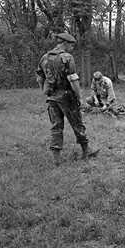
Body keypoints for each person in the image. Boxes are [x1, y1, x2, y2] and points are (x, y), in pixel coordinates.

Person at [36, 32, 99, 166]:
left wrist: (45, 91)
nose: (73, 47)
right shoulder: (67, 58)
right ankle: (86, 151)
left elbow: (39, 77)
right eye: (71, 44)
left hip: (52, 97)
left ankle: (56, 159)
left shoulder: (44, 58)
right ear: (65, 43)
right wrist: (80, 97)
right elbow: (73, 80)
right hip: (66, 97)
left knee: (56, 126)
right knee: (77, 123)